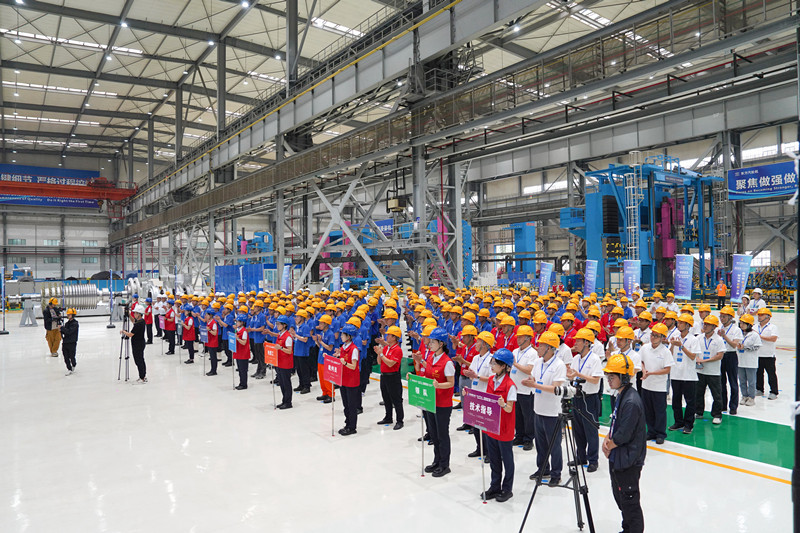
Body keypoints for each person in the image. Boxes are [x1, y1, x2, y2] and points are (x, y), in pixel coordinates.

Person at [602, 353, 646, 533]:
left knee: (629, 501)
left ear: (624, 377)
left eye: (612, 376)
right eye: (608, 376)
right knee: (621, 498)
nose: (609, 380)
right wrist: (607, 438)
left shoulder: (631, 401)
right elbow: (616, 422)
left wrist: (609, 445)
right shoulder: (621, 395)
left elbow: (624, 434)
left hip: (628, 460)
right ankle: (626, 528)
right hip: (619, 457)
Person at [522, 331, 567, 486]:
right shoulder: (538, 362)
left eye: (541, 345)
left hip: (552, 412)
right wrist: (530, 381)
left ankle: (556, 473)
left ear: (549, 348)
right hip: (538, 409)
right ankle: (543, 469)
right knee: (540, 445)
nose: (538, 347)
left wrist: (535, 385)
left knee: (554, 446)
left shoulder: (559, 365)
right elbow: (535, 378)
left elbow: (555, 388)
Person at [483, 348, 517, 503]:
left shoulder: (510, 385)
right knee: (494, 459)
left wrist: (503, 405)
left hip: (504, 428)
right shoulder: (491, 380)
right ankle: (494, 486)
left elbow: (509, 408)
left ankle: (507, 489)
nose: (492, 365)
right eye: (492, 362)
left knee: (507, 460)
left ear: (504, 366)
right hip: (492, 426)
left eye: (495, 363)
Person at [567, 328, 603, 470]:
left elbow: (595, 380)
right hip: (577, 397)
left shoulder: (594, 359)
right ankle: (580, 457)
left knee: (591, 431)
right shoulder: (576, 358)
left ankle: (593, 460)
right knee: (578, 430)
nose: (575, 343)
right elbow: (573, 375)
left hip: (589, 399)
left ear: (587, 343)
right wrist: (571, 376)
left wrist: (579, 375)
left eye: (578, 341)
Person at [422, 327, 455, 477]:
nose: (429, 344)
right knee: (434, 434)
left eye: (433, 342)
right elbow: (428, 375)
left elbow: (451, 383)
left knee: (442, 435)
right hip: (431, 401)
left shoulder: (447, 362)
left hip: (442, 403)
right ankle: (436, 460)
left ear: (441, 343)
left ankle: (444, 464)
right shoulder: (431, 357)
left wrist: (438, 385)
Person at [639, 323, 674, 443]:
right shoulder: (645, 348)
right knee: (648, 410)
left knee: (659, 411)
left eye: (656, 336)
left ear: (663, 338)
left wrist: (651, 373)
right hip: (646, 385)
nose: (653, 337)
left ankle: (660, 434)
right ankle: (651, 431)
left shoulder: (665, 352)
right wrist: (644, 370)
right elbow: (640, 361)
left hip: (659, 387)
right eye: (652, 335)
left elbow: (667, 369)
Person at [668, 314, 699, 434]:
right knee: (676, 400)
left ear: (687, 325)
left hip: (688, 375)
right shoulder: (675, 337)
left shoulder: (693, 340)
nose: (679, 324)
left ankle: (688, 424)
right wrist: (672, 345)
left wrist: (681, 346)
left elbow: (693, 356)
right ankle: (678, 422)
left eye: (681, 323)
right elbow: (670, 354)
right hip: (676, 373)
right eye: (679, 322)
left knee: (690, 401)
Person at [694, 315, 726, 425]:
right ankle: (698, 412)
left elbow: (720, 355)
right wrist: (697, 360)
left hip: (713, 372)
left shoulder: (719, 340)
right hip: (700, 371)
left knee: (716, 395)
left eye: (708, 324)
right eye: (704, 324)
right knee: (698, 393)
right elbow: (694, 352)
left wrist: (704, 360)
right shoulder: (698, 338)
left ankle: (717, 415)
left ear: (714, 327)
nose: (705, 326)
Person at [510, 325, 537, 451]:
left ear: (527, 338)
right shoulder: (515, 351)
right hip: (515, 388)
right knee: (517, 415)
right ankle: (519, 436)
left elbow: (529, 370)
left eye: (520, 337)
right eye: (518, 337)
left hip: (526, 390)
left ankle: (528, 439)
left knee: (528, 416)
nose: (518, 339)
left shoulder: (533, 353)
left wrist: (515, 364)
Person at [375, 325, 404, 430]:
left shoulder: (397, 350)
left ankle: (400, 420)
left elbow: (391, 363)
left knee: (396, 399)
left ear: (394, 337)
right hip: (384, 376)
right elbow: (379, 362)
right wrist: (379, 353)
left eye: (389, 335)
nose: (387, 336)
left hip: (393, 377)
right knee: (386, 397)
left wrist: (381, 354)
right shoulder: (386, 348)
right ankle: (388, 417)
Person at [717, 307, 742, 414]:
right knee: (721, 382)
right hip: (721, 356)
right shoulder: (719, 328)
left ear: (730, 317)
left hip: (731, 356)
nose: (722, 318)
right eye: (721, 316)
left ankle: (733, 406)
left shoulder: (736, 330)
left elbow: (734, 345)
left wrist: (724, 336)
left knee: (733, 382)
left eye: (724, 316)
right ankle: (723, 405)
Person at [337, 323, 361, 435]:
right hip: (344, 379)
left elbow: (354, 366)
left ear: (349, 336)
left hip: (351, 380)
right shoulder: (343, 347)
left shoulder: (354, 349)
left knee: (351, 405)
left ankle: (352, 427)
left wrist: (345, 363)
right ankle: (347, 424)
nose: (341, 336)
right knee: (345, 404)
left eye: (343, 334)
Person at [735, 314, 761, 406]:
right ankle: (744, 396)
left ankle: (751, 397)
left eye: (744, 323)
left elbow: (757, 346)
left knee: (751, 382)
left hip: (750, 362)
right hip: (740, 361)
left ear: (749, 324)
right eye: (741, 323)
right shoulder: (739, 334)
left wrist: (745, 347)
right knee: (742, 381)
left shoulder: (754, 335)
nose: (741, 325)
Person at [755, 308, 779, 399]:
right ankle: (759, 389)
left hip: (769, 355)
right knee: (758, 374)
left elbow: (773, 338)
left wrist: (760, 337)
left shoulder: (772, 327)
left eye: (762, 315)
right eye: (759, 315)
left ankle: (774, 392)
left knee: (771, 374)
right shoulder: (754, 327)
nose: (759, 317)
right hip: (757, 355)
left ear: (768, 317)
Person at [121, 304, 148, 383]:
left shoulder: (138, 324)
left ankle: (142, 377)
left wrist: (124, 332)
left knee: (138, 361)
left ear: (139, 314)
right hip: (140, 343)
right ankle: (143, 375)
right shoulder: (141, 321)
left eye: (135, 313)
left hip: (138, 344)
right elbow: (133, 321)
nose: (134, 314)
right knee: (140, 360)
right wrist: (129, 314)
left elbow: (130, 335)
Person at [313, 314, 336, 404]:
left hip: (327, 360)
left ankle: (331, 395)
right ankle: (325, 393)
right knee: (322, 378)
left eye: (321, 323)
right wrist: (316, 341)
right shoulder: (322, 333)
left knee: (328, 378)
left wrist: (321, 341)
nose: (319, 325)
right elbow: (321, 347)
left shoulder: (330, 334)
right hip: (321, 359)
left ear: (326, 324)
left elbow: (330, 348)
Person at [275, 315, 295, 408]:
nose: (277, 325)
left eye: (279, 324)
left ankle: (288, 402)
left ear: (284, 325)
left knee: (286, 383)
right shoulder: (280, 335)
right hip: (279, 362)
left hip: (286, 363)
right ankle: (284, 400)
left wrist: (281, 348)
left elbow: (289, 351)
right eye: (277, 324)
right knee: (282, 383)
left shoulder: (288, 337)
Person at [233, 312, 250, 390]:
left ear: (242, 322)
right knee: (240, 369)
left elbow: (244, 342)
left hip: (243, 353)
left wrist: (237, 338)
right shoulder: (238, 330)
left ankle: (244, 384)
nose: (236, 323)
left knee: (243, 370)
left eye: (238, 321)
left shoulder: (244, 331)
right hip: (238, 352)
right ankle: (241, 383)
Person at [60, 308, 79, 375]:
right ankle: (69, 368)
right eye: (67, 314)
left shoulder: (75, 324)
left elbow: (69, 332)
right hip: (65, 342)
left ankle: (73, 364)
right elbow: (65, 332)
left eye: (69, 314)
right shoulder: (67, 323)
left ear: (73, 315)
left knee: (71, 356)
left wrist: (62, 328)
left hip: (72, 342)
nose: (68, 315)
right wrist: (61, 330)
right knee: (66, 356)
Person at [205, 309, 219, 376]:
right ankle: (212, 369)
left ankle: (214, 371)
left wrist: (209, 330)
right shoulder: (208, 322)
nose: (206, 316)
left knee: (213, 357)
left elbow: (215, 333)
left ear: (210, 315)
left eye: (207, 315)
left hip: (213, 342)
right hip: (209, 341)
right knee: (211, 356)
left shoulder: (214, 323)